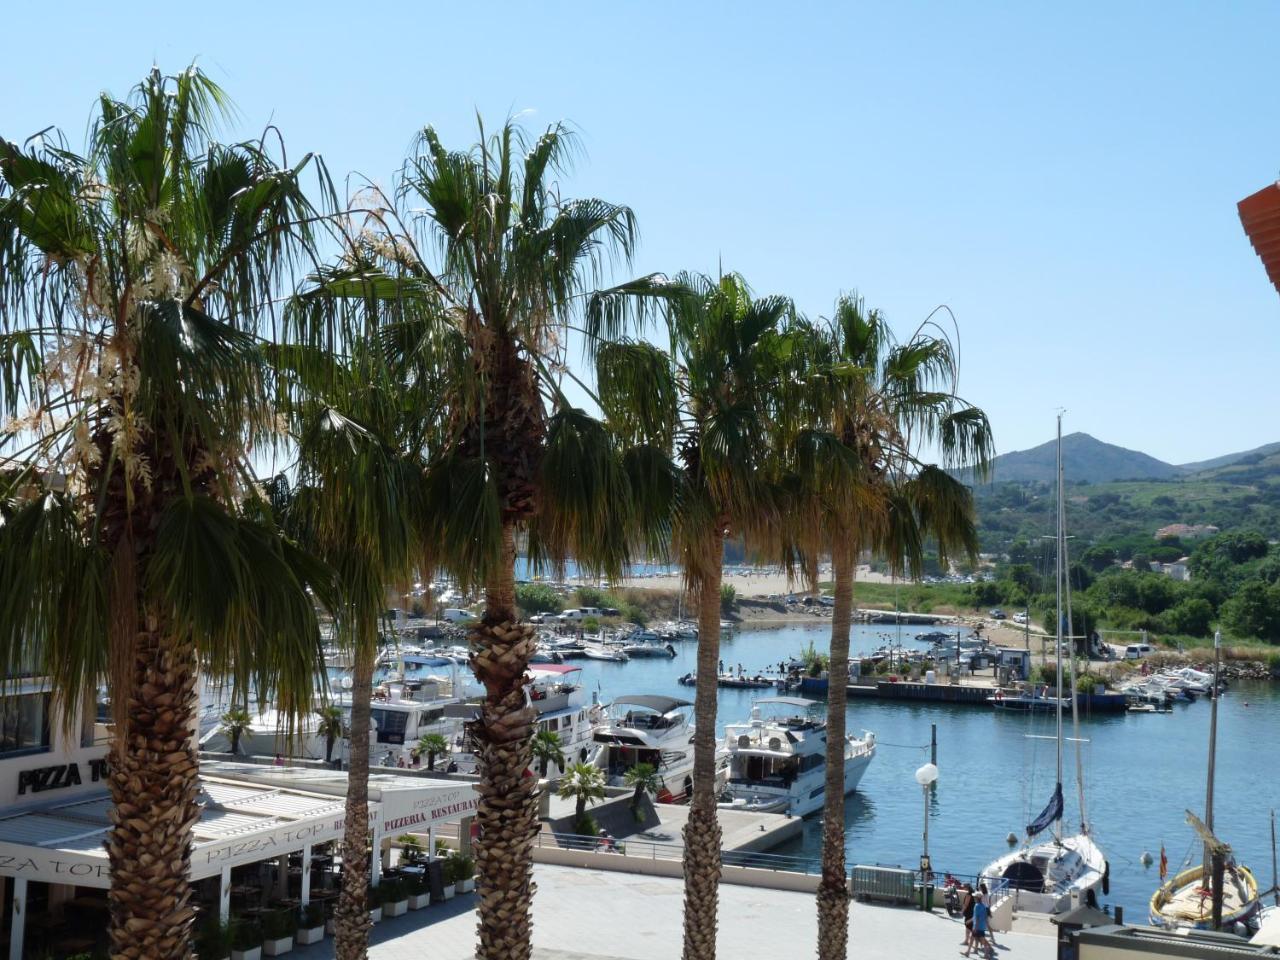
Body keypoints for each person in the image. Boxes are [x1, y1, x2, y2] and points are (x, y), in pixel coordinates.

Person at [967, 892, 992, 959]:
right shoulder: (983, 906)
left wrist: (975, 927)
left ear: (977, 898)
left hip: (977, 926)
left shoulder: (977, 906)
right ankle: (986, 954)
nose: (974, 898)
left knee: (972, 939)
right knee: (981, 940)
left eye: (974, 897)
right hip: (982, 926)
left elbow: (977, 917)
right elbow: (983, 917)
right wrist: (970, 920)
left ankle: (968, 952)